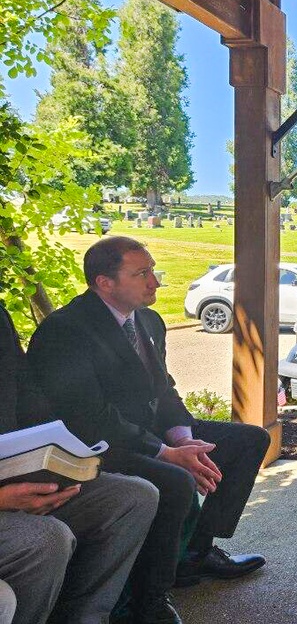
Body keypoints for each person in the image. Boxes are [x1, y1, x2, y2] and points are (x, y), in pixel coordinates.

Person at [27, 237, 270, 624]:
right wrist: (166, 454)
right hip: (94, 444)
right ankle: (149, 601)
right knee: (175, 481)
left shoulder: (148, 320)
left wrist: (183, 438)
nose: (155, 282)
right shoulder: (66, 331)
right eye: (142, 273)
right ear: (104, 282)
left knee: (249, 439)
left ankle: (194, 553)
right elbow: (88, 417)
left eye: (154, 270)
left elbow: (164, 389)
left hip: (149, 433)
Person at [0, 302, 159, 624]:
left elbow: (25, 390)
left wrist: (58, 447)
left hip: (14, 468)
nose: (154, 282)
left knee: (134, 497)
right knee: (43, 540)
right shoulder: (67, 328)